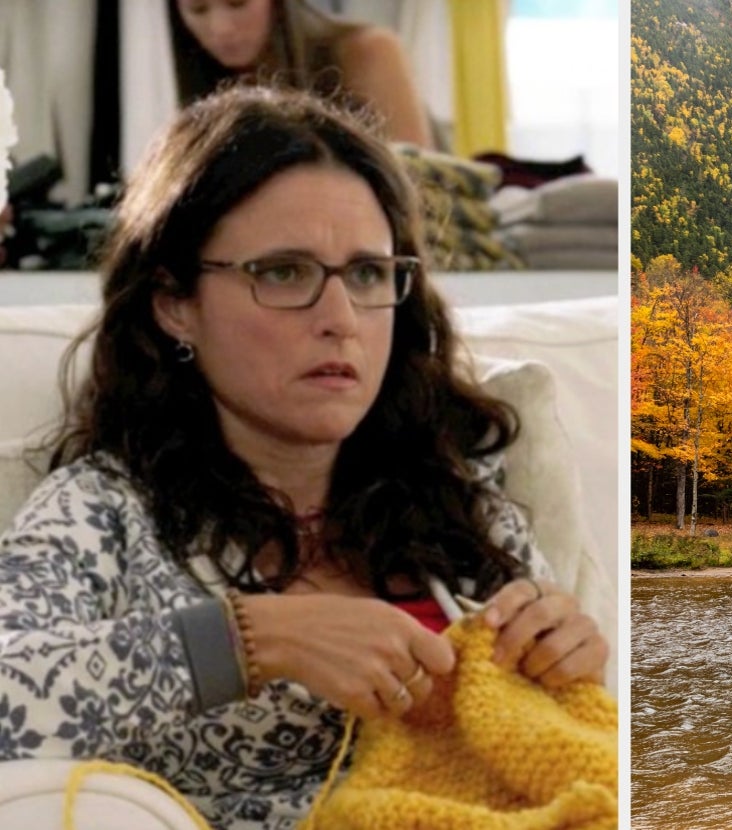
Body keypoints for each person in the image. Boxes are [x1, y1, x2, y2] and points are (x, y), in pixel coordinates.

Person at [0, 85, 608, 829]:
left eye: (366, 274)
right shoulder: (106, 512)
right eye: (283, 273)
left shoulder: (458, 490)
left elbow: (552, 745)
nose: (340, 319)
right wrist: (248, 642)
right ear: (174, 302)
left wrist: (564, 656)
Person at [168, 0, 435, 147]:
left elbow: (422, 187)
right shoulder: (207, 88)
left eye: (238, 3)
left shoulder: (366, 51)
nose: (221, 27)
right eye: (198, 9)